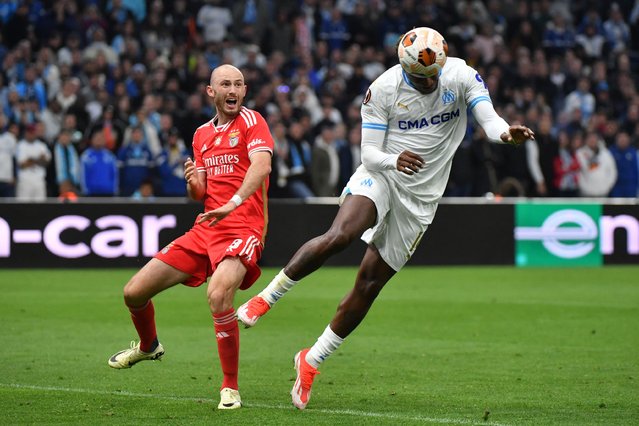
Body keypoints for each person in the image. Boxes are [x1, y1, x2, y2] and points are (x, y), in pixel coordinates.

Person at [237, 27, 535, 410]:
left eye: (432, 77)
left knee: (369, 284)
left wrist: (504, 134)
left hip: (422, 198)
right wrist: (395, 160)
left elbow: (488, 118)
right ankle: (267, 297)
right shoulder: (383, 89)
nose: (427, 83)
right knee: (341, 234)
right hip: (382, 173)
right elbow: (369, 153)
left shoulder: (460, 75)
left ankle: (311, 361)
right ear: (404, 68)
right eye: (419, 78)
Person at [107, 64, 273, 411]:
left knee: (218, 295)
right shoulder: (200, 135)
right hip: (207, 227)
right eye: (225, 84)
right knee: (134, 292)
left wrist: (233, 203)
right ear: (211, 92)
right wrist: (194, 184)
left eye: (239, 84)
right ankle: (148, 345)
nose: (234, 89)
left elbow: (262, 167)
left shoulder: (252, 121)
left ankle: (230, 388)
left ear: (244, 91)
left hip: (243, 225)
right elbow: (199, 193)